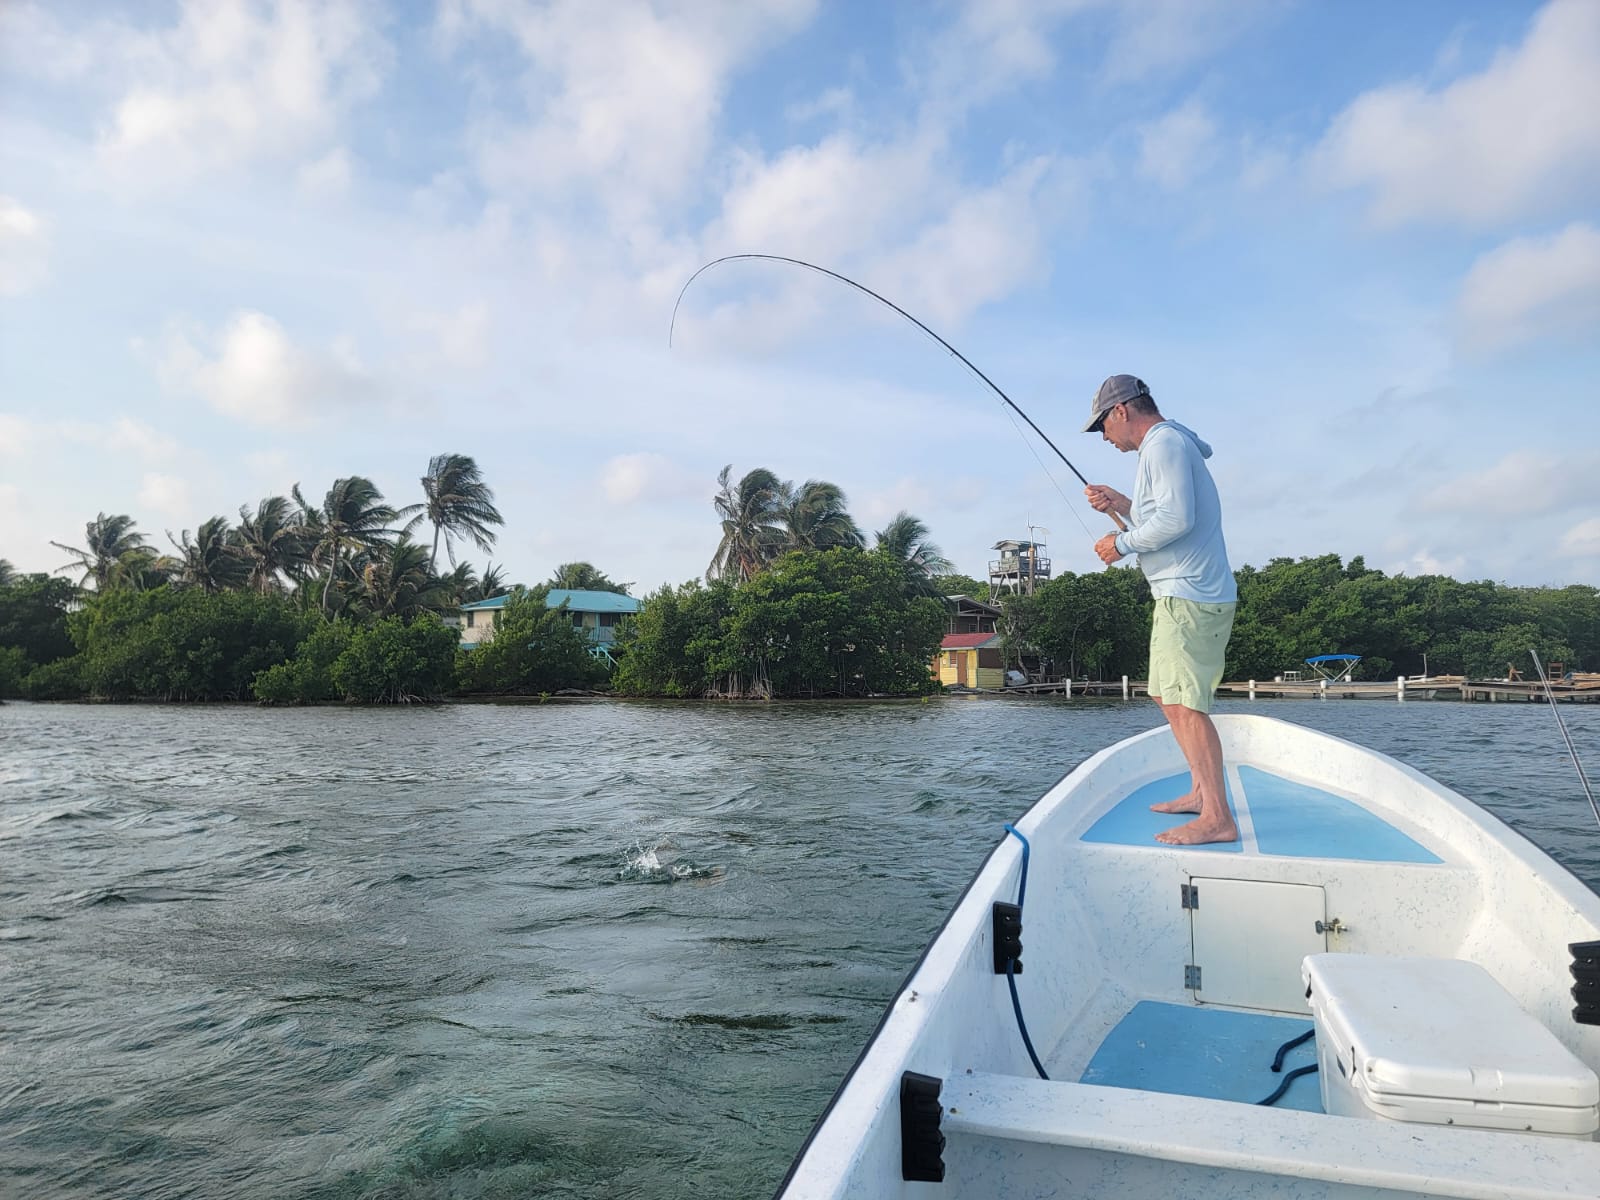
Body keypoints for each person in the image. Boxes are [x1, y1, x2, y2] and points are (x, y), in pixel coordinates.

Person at [1081, 374, 1238, 845]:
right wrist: (1124, 504)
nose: (1104, 438)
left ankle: (1217, 817)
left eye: (1102, 426)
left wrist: (1120, 543)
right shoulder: (1170, 445)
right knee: (1167, 696)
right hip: (1182, 593)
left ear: (1121, 411)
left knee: (1185, 704)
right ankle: (1200, 793)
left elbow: (1177, 520)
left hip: (1189, 594)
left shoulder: (1162, 443)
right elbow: (1166, 514)